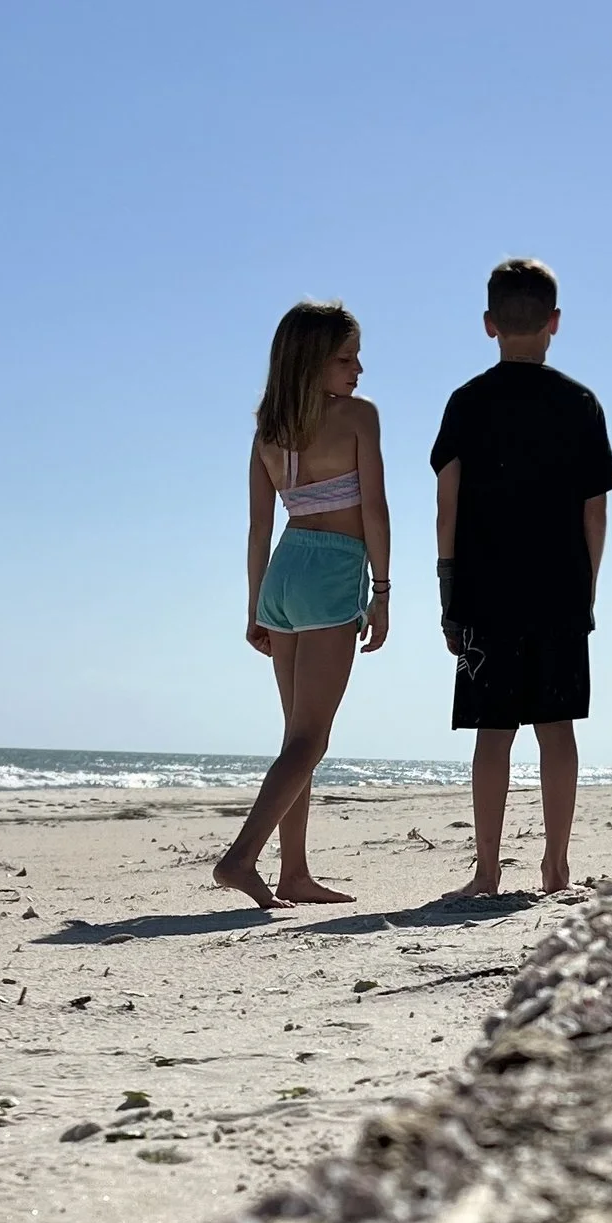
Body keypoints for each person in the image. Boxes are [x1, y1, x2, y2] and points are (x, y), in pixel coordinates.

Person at [431, 258, 612, 895]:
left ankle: (486, 870)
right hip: (560, 587)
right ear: (555, 323)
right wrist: (588, 584)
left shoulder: (466, 402)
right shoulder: (581, 402)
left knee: (493, 732)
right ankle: (556, 865)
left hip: (485, 590)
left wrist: (447, 587)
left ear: (489, 324)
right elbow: (596, 509)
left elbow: (446, 504)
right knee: (556, 728)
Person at [213, 299, 390, 908]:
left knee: (295, 736)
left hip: (284, 574)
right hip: (333, 572)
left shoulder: (268, 432)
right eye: (345, 357)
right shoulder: (358, 418)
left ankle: (294, 873)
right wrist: (385, 591)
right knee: (310, 739)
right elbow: (375, 510)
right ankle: (241, 857)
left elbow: (259, 530)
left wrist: (255, 605)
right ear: (312, 361)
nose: (358, 369)